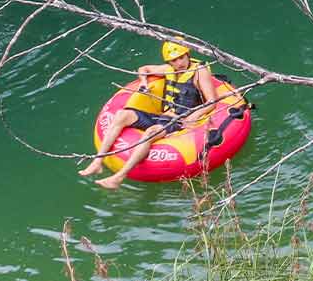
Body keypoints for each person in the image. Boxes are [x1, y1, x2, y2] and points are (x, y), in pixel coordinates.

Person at [80, 41, 219, 189]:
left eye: (181, 58)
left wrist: (193, 116)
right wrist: (144, 82)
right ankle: (97, 162)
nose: (179, 63)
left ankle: (118, 177)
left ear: (187, 55)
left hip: (179, 121)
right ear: (169, 61)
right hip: (161, 116)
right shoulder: (168, 69)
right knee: (121, 115)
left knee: (150, 132)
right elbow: (143, 69)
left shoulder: (199, 72)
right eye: (174, 60)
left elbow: (212, 101)